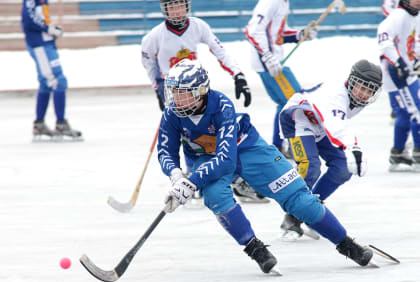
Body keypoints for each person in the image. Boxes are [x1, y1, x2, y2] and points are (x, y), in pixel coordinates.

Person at [157, 59, 375, 274]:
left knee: (299, 199)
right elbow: (165, 151)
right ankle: (255, 249)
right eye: (174, 92)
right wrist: (177, 178)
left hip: (247, 147)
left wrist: (192, 181)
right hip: (206, 158)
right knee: (215, 196)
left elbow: (226, 160)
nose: (177, 99)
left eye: (183, 93)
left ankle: (346, 243)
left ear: (201, 91)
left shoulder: (221, 105)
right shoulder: (171, 114)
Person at [142, 0, 266, 202]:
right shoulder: (153, 37)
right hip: (173, 91)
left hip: (194, 87)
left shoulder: (199, 26)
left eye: (180, 5)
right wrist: (158, 88)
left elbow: (219, 50)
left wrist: (238, 75)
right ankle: (194, 178)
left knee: (211, 132)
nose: (177, 11)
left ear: (187, 6)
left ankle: (209, 178)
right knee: (184, 134)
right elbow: (148, 64)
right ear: (164, 9)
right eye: (171, 6)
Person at [278, 60, 383, 238]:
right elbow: (336, 128)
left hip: (319, 123)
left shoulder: (355, 99)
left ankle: (312, 209)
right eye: (361, 87)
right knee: (310, 166)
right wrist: (354, 149)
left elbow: (334, 124)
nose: (364, 94)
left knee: (342, 168)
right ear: (351, 81)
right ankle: (293, 216)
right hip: (298, 118)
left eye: (369, 90)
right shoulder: (335, 95)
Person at [245, 0, 318, 158]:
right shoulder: (271, 2)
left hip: (274, 61)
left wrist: (300, 35)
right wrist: (267, 57)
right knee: (296, 101)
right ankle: (294, 145)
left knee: (286, 103)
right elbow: (252, 31)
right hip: (268, 63)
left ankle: (278, 146)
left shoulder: (284, 3)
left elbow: (277, 35)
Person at [21, 0, 82, 141]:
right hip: (39, 44)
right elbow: (28, 19)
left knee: (45, 82)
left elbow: (40, 17)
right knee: (58, 80)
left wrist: (50, 28)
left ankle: (39, 123)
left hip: (46, 43)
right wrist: (47, 29)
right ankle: (61, 124)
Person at [377, 0, 420, 172]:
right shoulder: (398, 15)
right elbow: (384, 40)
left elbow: (413, 42)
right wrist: (399, 62)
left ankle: (398, 152)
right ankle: (418, 154)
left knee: (403, 113)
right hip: (396, 72)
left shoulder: (414, 16)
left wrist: (415, 60)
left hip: (406, 71)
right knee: (416, 112)